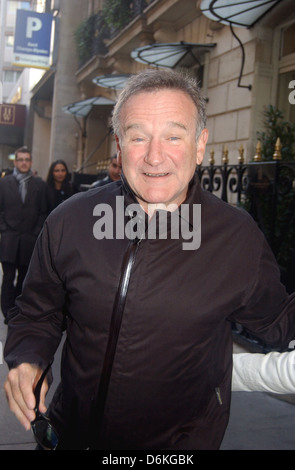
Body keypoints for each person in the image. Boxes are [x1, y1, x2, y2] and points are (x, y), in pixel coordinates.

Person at [4, 69, 295, 450]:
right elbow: (36, 311)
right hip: (70, 435)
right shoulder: (69, 220)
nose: (155, 156)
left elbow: (279, 321)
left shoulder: (237, 239)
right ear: (120, 146)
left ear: (200, 144)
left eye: (174, 136)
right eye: (139, 136)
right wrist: (27, 358)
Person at [0, 146, 47, 320]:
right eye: (20, 159)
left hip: (28, 239)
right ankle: (6, 310)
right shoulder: (4, 183)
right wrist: (4, 229)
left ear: (31, 162)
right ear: (15, 162)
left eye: (27, 159)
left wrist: (35, 233)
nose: (24, 162)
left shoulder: (39, 185)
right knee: (8, 278)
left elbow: (44, 211)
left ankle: (17, 311)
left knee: (24, 279)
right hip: (9, 239)